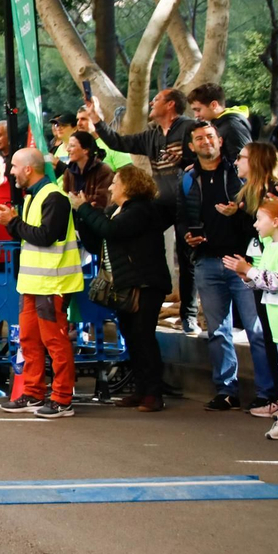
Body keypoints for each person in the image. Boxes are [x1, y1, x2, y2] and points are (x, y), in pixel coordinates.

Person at [180, 122, 278, 413]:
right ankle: (226, 391)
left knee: (255, 330)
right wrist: (188, 236)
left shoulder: (237, 174)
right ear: (192, 146)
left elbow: (257, 217)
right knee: (218, 332)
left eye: (210, 136)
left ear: (220, 141)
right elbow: (181, 214)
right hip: (208, 261)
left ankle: (268, 393)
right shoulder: (188, 178)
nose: (206, 141)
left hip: (242, 263)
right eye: (199, 138)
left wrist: (239, 211)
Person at [89, 88, 200, 331]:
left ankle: (189, 314)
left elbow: (204, 159)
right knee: (142, 238)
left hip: (190, 202)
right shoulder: (151, 135)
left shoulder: (189, 128)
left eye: (157, 99)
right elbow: (118, 142)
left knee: (187, 256)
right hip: (162, 203)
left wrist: (182, 161)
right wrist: (96, 119)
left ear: (171, 105)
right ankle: (140, 289)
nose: (151, 102)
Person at [71, 164, 173, 412]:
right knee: (132, 337)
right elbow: (99, 243)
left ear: (128, 186)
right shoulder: (118, 210)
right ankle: (141, 389)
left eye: (115, 182)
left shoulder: (141, 209)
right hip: (127, 284)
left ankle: (153, 393)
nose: (111, 186)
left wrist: (85, 208)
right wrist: (83, 217)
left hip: (145, 283)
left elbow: (111, 230)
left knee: (143, 336)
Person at [0, 148, 82, 419]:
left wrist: (12, 221)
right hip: (33, 283)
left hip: (52, 284)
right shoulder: (35, 195)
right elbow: (30, 236)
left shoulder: (54, 196)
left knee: (55, 342)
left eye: (15, 166)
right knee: (29, 341)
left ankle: (63, 399)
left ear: (29, 169)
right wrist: (11, 222)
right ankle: (33, 392)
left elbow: (44, 236)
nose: (11, 172)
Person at [223, 199, 278, 442]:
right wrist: (246, 274)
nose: (255, 224)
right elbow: (261, 279)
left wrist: (249, 271)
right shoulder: (269, 245)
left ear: (276, 221)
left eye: (259, 219)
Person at [236, 142, 278, 410]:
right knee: (268, 336)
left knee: (276, 340)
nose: (237, 162)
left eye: (242, 158)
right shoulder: (249, 195)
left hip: (270, 274)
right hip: (256, 273)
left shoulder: (272, 195)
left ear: (256, 162)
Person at [188, 82, 252, 161]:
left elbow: (243, 161)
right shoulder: (223, 125)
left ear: (214, 105)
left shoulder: (231, 127)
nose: (196, 115)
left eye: (198, 110)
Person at [62, 131, 114, 211]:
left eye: (72, 146)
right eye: (68, 145)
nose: (67, 149)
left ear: (85, 150)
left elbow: (103, 200)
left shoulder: (103, 170)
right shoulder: (69, 171)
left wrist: (76, 200)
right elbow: (65, 195)